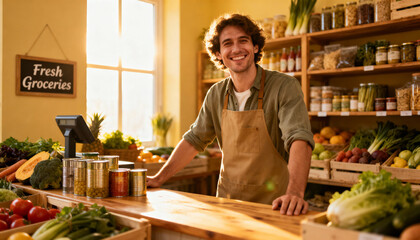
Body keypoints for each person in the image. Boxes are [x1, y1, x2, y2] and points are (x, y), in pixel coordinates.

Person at [147, 13, 314, 216]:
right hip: (228, 204)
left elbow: (299, 138)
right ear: (218, 53)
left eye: (243, 40)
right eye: (227, 43)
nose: (236, 49)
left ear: (255, 47)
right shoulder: (216, 93)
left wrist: (295, 193)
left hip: (275, 205)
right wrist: (158, 178)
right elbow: (194, 140)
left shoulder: (284, 86)